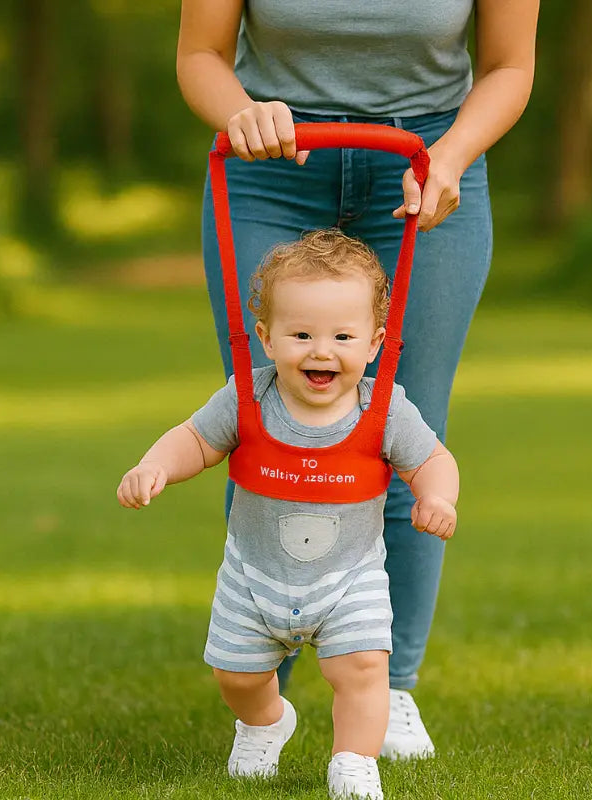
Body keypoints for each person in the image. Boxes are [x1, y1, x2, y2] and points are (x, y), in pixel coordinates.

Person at [176, 0, 539, 757]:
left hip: (427, 161)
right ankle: (260, 695)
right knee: (264, 419)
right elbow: (200, 55)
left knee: (405, 435)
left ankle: (388, 682)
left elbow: (510, 66)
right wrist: (243, 113)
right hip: (271, 169)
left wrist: (454, 153)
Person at [117, 230, 459, 800]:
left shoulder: (384, 409)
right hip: (254, 579)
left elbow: (433, 459)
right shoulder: (248, 398)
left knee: (363, 670)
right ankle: (264, 721)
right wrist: (156, 466)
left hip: (349, 579)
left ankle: (353, 762)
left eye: (342, 336)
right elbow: (195, 441)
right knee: (238, 676)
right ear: (266, 338)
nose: (321, 351)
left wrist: (437, 496)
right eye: (300, 334)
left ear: (375, 342)